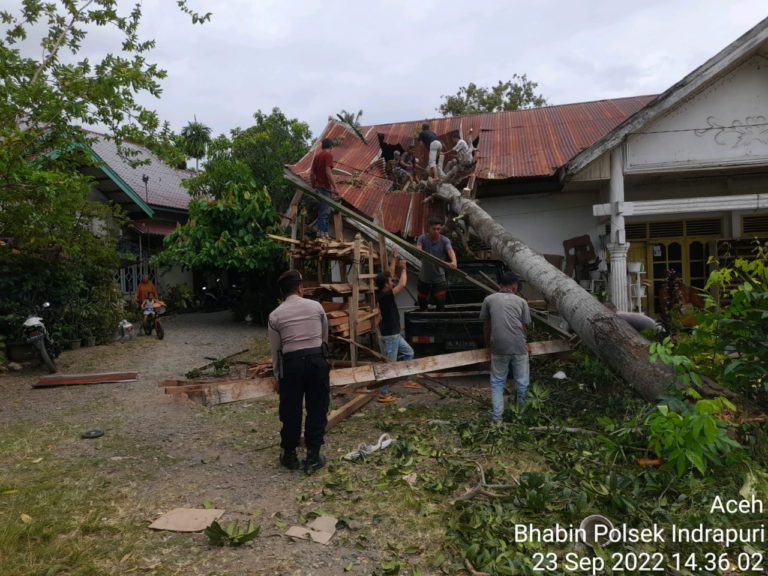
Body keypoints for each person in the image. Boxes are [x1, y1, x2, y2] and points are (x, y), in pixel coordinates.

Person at [268, 270, 330, 472]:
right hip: (316, 361)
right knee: (317, 407)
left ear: (282, 293)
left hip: (291, 364)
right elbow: (324, 338)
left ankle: (290, 455)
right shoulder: (316, 307)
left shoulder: (275, 315)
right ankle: (313, 455)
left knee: (290, 410)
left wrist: (277, 376)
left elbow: (276, 350)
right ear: (300, 289)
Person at [479, 273, 532, 421]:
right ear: (515, 286)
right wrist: (525, 343)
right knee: (522, 382)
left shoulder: (488, 300)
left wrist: (488, 345)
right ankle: (520, 416)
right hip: (519, 347)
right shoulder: (522, 302)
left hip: (498, 347)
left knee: (497, 382)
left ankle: (497, 419)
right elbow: (524, 327)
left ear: (499, 285)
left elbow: (486, 326)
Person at [374, 256, 414, 403]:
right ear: (386, 285)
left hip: (395, 334)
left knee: (409, 352)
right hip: (391, 335)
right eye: (390, 281)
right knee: (390, 364)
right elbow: (403, 284)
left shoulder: (384, 292)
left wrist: (394, 262)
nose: (393, 281)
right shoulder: (385, 295)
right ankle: (383, 393)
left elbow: (389, 274)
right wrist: (403, 268)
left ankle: (407, 379)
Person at [415, 217, 457, 311]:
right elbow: (418, 248)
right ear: (429, 229)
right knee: (421, 301)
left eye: (438, 229)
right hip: (424, 277)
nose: (436, 231)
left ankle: (439, 323)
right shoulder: (422, 238)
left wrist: (454, 261)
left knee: (440, 301)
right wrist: (418, 250)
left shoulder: (445, 240)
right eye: (434, 229)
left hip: (439, 278)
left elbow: (450, 250)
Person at [310, 138, 337, 239]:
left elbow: (312, 173)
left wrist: (313, 185)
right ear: (331, 147)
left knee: (322, 210)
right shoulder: (328, 155)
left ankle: (321, 232)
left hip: (318, 188)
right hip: (325, 188)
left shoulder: (317, 156)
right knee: (325, 211)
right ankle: (323, 233)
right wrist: (335, 187)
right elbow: (328, 172)